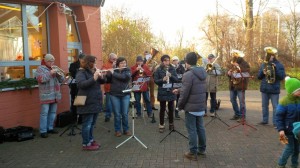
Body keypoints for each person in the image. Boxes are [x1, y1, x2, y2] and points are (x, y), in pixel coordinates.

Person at [173, 52, 207, 161]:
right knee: (200, 128)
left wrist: (179, 106)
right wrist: (179, 90)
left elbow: (185, 94)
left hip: (191, 107)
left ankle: (192, 153)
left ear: (186, 62)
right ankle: (201, 150)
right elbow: (193, 88)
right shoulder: (202, 71)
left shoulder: (188, 74)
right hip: (200, 105)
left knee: (192, 130)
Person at [76, 55, 106, 151]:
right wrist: (94, 77)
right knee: (87, 124)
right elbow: (82, 84)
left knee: (92, 123)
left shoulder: (92, 71)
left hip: (95, 101)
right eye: (94, 62)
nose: (96, 64)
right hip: (87, 102)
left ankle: (91, 139)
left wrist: (101, 77)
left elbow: (102, 82)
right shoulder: (81, 72)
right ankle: (86, 144)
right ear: (89, 63)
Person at [35, 54, 65, 138]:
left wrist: (59, 75)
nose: (52, 62)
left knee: (53, 112)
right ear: (45, 61)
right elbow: (41, 79)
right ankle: (43, 131)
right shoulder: (40, 69)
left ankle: (50, 128)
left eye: (53, 61)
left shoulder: (55, 68)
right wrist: (50, 73)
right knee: (44, 113)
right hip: (46, 95)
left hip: (55, 94)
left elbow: (62, 80)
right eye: (50, 61)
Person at [257, 47, 286, 127]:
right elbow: (258, 77)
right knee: (264, 106)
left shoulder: (279, 65)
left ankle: (275, 123)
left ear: (274, 56)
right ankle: (264, 120)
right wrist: (263, 73)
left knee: (275, 106)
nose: (269, 56)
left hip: (274, 89)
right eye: (268, 55)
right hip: (264, 88)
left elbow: (282, 76)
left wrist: (275, 69)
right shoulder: (263, 64)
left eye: (271, 55)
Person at [276, 77, 300, 168]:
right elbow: (278, 117)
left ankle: (294, 165)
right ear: (292, 91)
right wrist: (281, 130)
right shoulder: (284, 101)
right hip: (288, 130)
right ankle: (281, 164)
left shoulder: (299, 99)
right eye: (299, 90)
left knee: (297, 149)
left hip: (298, 130)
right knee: (289, 148)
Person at [106, 56, 132, 137]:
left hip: (125, 94)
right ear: (118, 64)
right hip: (114, 94)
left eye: (124, 62)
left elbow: (124, 78)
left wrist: (113, 73)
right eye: (121, 63)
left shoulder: (128, 70)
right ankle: (117, 130)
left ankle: (126, 129)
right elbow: (108, 80)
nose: (123, 64)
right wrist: (109, 72)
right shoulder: (114, 70)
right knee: (117, 114)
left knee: (124, 113)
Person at [154, 54, 178, 133]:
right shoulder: (158, 69)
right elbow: (156, 81)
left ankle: (171, 124)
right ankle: (161, 124)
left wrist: (171, 76)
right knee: (162, 108)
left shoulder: (172, 68)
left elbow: (176, 80)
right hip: (162, 91)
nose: (167, 62)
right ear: (162, 61)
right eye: (165, 61)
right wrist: (162, 79)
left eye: (168, 60)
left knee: (171, 109)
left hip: (171, 90)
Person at [227, 50, 250, 122]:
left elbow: (247, 72)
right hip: (233, 84)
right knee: (232, 100)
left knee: (241, 101)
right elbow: (229, 72)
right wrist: (228, 73)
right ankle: (237, 114)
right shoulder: (232, 63)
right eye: (234, 54)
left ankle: (242, 117)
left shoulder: (244, 63)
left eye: (236, 55)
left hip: (240, 85)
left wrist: (239, 66)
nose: (234, 56)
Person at [68, 53, 85, 117]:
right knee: (74, 103)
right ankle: (74, 118)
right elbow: (72, 73)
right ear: (80, 59)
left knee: (81, 102)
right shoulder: (73, 65)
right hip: (75, 87)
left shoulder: (86, 65)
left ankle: (81, 118)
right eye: (83, 59)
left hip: (82, 87)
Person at [102, 53, 117, 122]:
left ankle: (117, 115)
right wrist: (112, 68)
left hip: (117, 87)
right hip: (109, 87)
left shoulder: (118, 63)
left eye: (116, 59)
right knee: (109, 103)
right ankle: (108, 115)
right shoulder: (105, 64)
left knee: (116, 102)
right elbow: (104, 74)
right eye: (114, 59)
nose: (115, 60)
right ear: (110, 58)